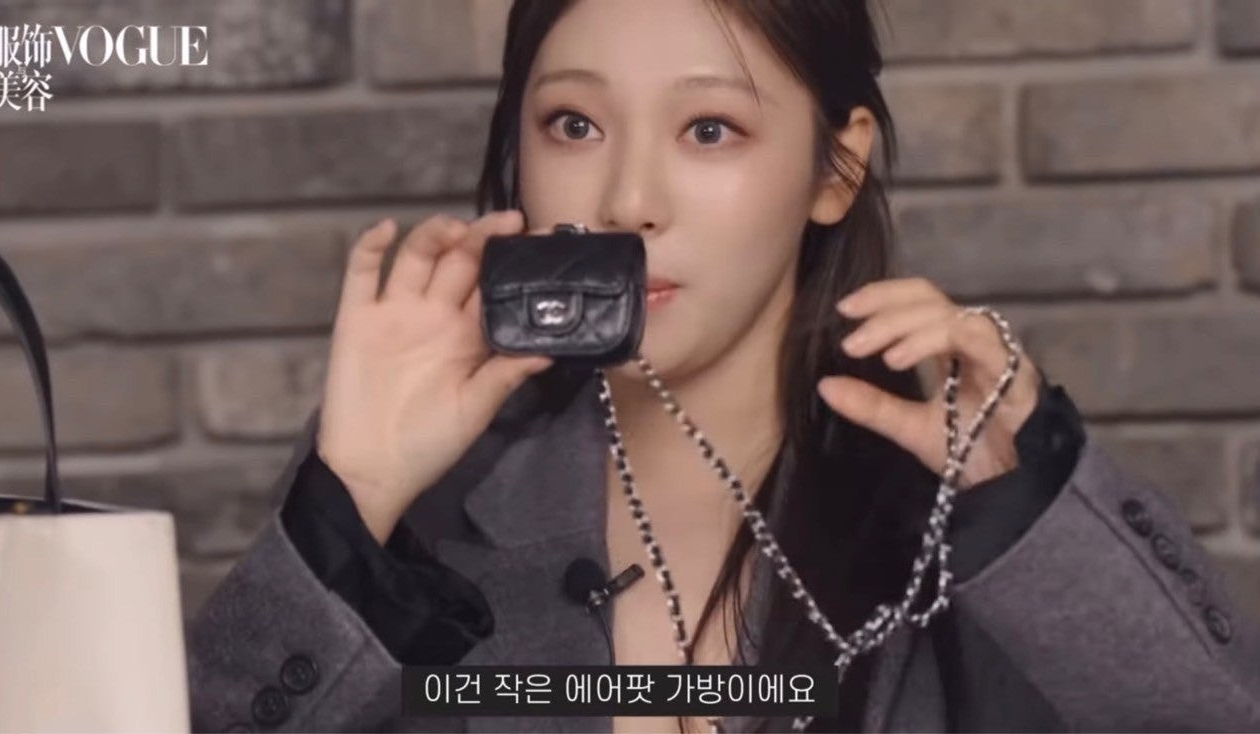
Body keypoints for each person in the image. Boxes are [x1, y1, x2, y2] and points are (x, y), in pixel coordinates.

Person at [186, 1, 1260, 732]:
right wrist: (348, 506)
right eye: (572, 124)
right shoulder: (414, 496)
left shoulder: (959, 503)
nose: (625, 200)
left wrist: (1031, 514)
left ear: (835, 168)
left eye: (708, 129)